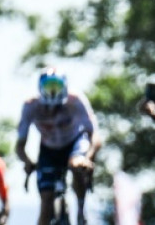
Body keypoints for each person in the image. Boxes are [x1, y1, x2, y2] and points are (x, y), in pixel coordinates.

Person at [16, 69, 100, 225]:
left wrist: (87, 158)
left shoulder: (75, 100)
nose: (53, 91)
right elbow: (20, 145)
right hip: (49, 149)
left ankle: (81, 212)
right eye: (48, 87)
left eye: (57, 86)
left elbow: (94, 135)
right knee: (46, 202)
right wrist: (27, 161)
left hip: (75, 142)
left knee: (76, 164)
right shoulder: (30, 106)